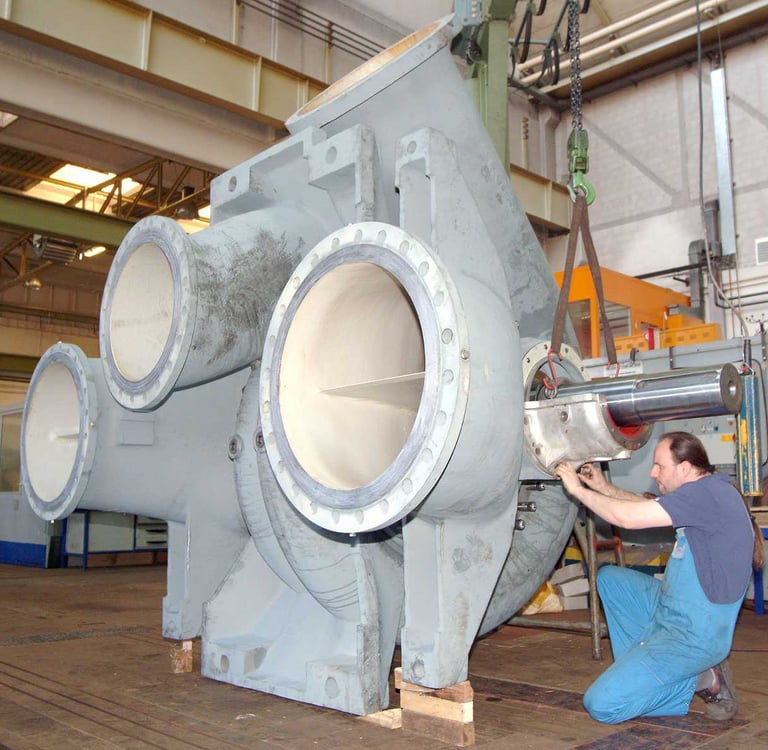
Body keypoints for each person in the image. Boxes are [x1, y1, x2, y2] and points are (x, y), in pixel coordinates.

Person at [555, 431, 754, 724]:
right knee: (611, 580)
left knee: (602, 705)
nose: (652, 473)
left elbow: (627, 518)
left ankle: (702, 679)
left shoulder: (707, 496)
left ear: (684, 468)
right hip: (672, 609)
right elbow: (644, 505)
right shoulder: (705, 492)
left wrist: (577, 490)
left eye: (659, 466)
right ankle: (643, 670)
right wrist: (602, 487)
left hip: (695, 634)